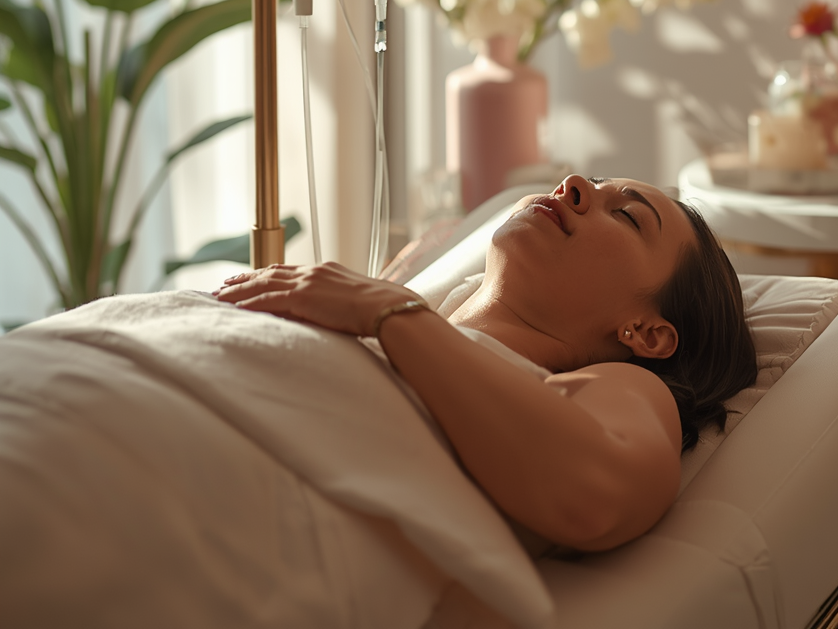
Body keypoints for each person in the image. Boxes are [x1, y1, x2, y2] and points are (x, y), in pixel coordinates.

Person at [217, 174, 757, 553]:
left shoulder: (628, 386)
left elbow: (599, 492)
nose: (572, 184)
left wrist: (389, 312)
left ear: (647, 333)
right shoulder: (397, 316)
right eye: (593, 180)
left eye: (626, 215)